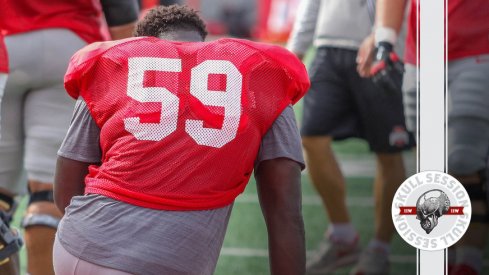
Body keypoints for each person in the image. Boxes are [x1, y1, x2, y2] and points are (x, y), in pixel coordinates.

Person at [53, 5, 308, 275]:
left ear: (145, 43)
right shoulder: (263, 73)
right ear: (201, 40)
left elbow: (65, 190)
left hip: (77, 246)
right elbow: (285, 211)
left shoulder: (112, 65)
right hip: (164, 263)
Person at [0, 1, 139, 274]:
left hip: (5, 47)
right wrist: (131, 65)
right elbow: (121, 7)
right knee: (48, 194)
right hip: (72, 44)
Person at [287, 0, 414, 274]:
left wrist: (384, 37)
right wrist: (294, 51)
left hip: (385, 48)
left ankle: (380, 248)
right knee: (311, 136)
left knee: (389, 151)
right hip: (328, 45)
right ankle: (343, 235)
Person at [362, 0, 489, 274]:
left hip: (479, 49)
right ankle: (445, 257)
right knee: (433, 168)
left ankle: (470, 261)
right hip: (421, 56)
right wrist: (384, 39)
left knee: (464, 159)